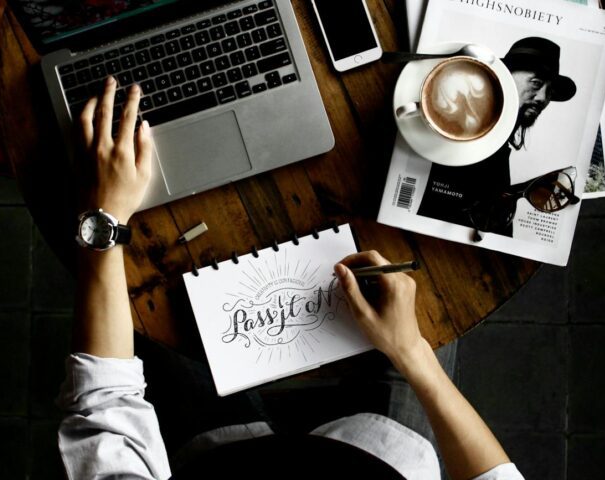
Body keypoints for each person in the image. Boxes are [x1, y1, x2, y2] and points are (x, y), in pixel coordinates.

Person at [56, 76, 525, 479]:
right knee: (429, 268)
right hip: (386, 451)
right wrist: (412, 352)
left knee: (157, 315)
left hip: (218, 455)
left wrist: (106, 217)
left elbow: (105, 405)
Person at [416, 36, 577, 237]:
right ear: (505, 77)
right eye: (536, 83)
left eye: (550, 90)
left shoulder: (499, 147)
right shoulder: (467, 133)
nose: (543, 98)